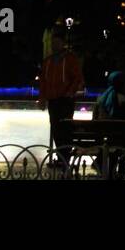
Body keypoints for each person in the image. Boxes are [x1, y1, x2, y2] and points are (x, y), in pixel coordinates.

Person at [37, 30, 85, 171]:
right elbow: (43, 82)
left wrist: (69, 93)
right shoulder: (49, 61)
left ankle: (64, 158)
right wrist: (42, 98)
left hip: (65, 100)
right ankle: (62, 157)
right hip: (54, 99)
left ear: (62, 43)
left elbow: (77, 78)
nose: (53, 45)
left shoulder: (69, 59)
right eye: (52, 42)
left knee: (64, 129)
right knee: (57, 129)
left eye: (56, 42)